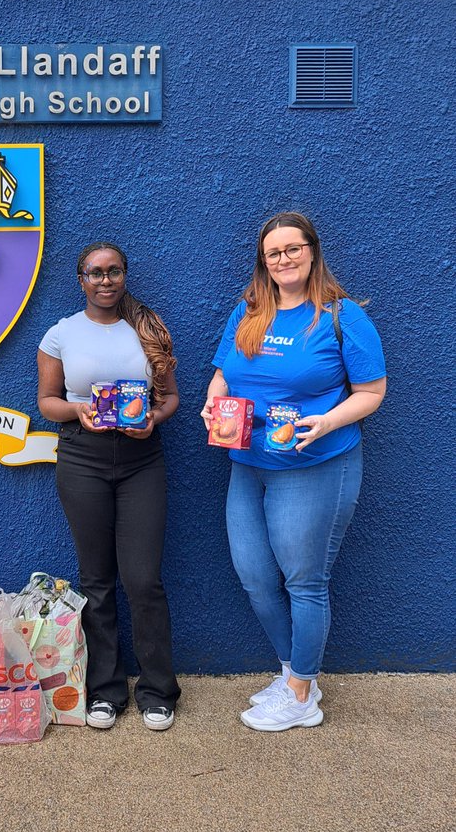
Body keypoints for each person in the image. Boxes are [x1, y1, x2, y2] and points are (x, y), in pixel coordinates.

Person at [202, 212, 386, 732]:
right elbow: (222, 375)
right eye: (273, 253)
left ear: (311, 251)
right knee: (256, 577)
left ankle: (303, 692)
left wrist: (326, 422)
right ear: (263, 261)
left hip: (314, 465)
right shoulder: (248, 309)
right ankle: (291, 673)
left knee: (305, 580)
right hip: (247, 462)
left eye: (291, 249)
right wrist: (212, 405)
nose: (282, 260)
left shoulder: (341, 316)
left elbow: (372, 393)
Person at [37, 241, 181, 731]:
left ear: (124, 276)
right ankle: (106, 691)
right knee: (96, 580)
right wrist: (78, 410)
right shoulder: (60, 334)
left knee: (143, 580)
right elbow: (47, 403)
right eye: (94, 272)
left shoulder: (148, 330)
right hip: (82, 458)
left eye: (113, 271)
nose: (104, 280)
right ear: (81, 279)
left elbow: (172, 398)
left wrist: (154, 420)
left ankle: (159, 690)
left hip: (142, 459)